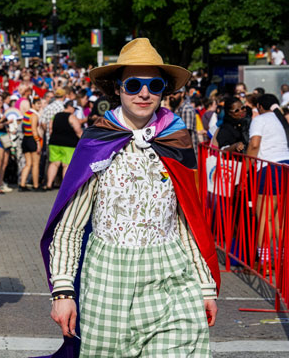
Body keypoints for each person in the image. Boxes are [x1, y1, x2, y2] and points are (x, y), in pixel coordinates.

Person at [42, 38, 219, 357]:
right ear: (117, 88)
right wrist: (63, 291)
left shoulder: (176, 138)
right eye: (134, 84)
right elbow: (68, 227)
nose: (144, 93)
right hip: (109, 281)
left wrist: (206, 286)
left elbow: (186, 221)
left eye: (155, 84)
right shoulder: (98, 140)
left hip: (170, 276)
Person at [246, 94, 289, 265]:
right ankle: (282, 256)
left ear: (260, 107)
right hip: (285, 166)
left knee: (264, 215)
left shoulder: (261, 119)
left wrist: (247, 169)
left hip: (269, 168)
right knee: (279, 217)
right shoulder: (281, 120)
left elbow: (254, 144)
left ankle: (263, 260)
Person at [45, 100, 82, 190]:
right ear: (69, 107)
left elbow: (50, 129)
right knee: (66, 165)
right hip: (68, 144)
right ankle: (65, 186)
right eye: (74, 108)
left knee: (54, 164)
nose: (74, 110)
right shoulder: (72, 117)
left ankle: (49, 184)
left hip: (54, 143)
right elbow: (78, 131)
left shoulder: (56, 116)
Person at [19, 96, 42, 191]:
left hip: (25, 139)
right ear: (33, 104)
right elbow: (34, 130)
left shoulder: (26, 114)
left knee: (28, 163)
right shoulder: (34, 115)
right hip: (32, 140)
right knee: (36, 164)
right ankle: (36, 185)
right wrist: (38, 142)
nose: (40, 106)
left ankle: (22, 184)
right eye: (38, 104)